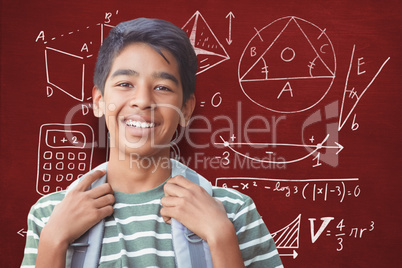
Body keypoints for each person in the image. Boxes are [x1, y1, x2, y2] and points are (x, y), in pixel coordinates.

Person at [21, 18, 283, 267]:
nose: (143, 100)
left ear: (186, 109)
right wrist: (53, 241)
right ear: (99, 101)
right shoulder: (51, 214)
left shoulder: (233, 212)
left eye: (162, 88)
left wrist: (221, 237)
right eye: (125, 83)